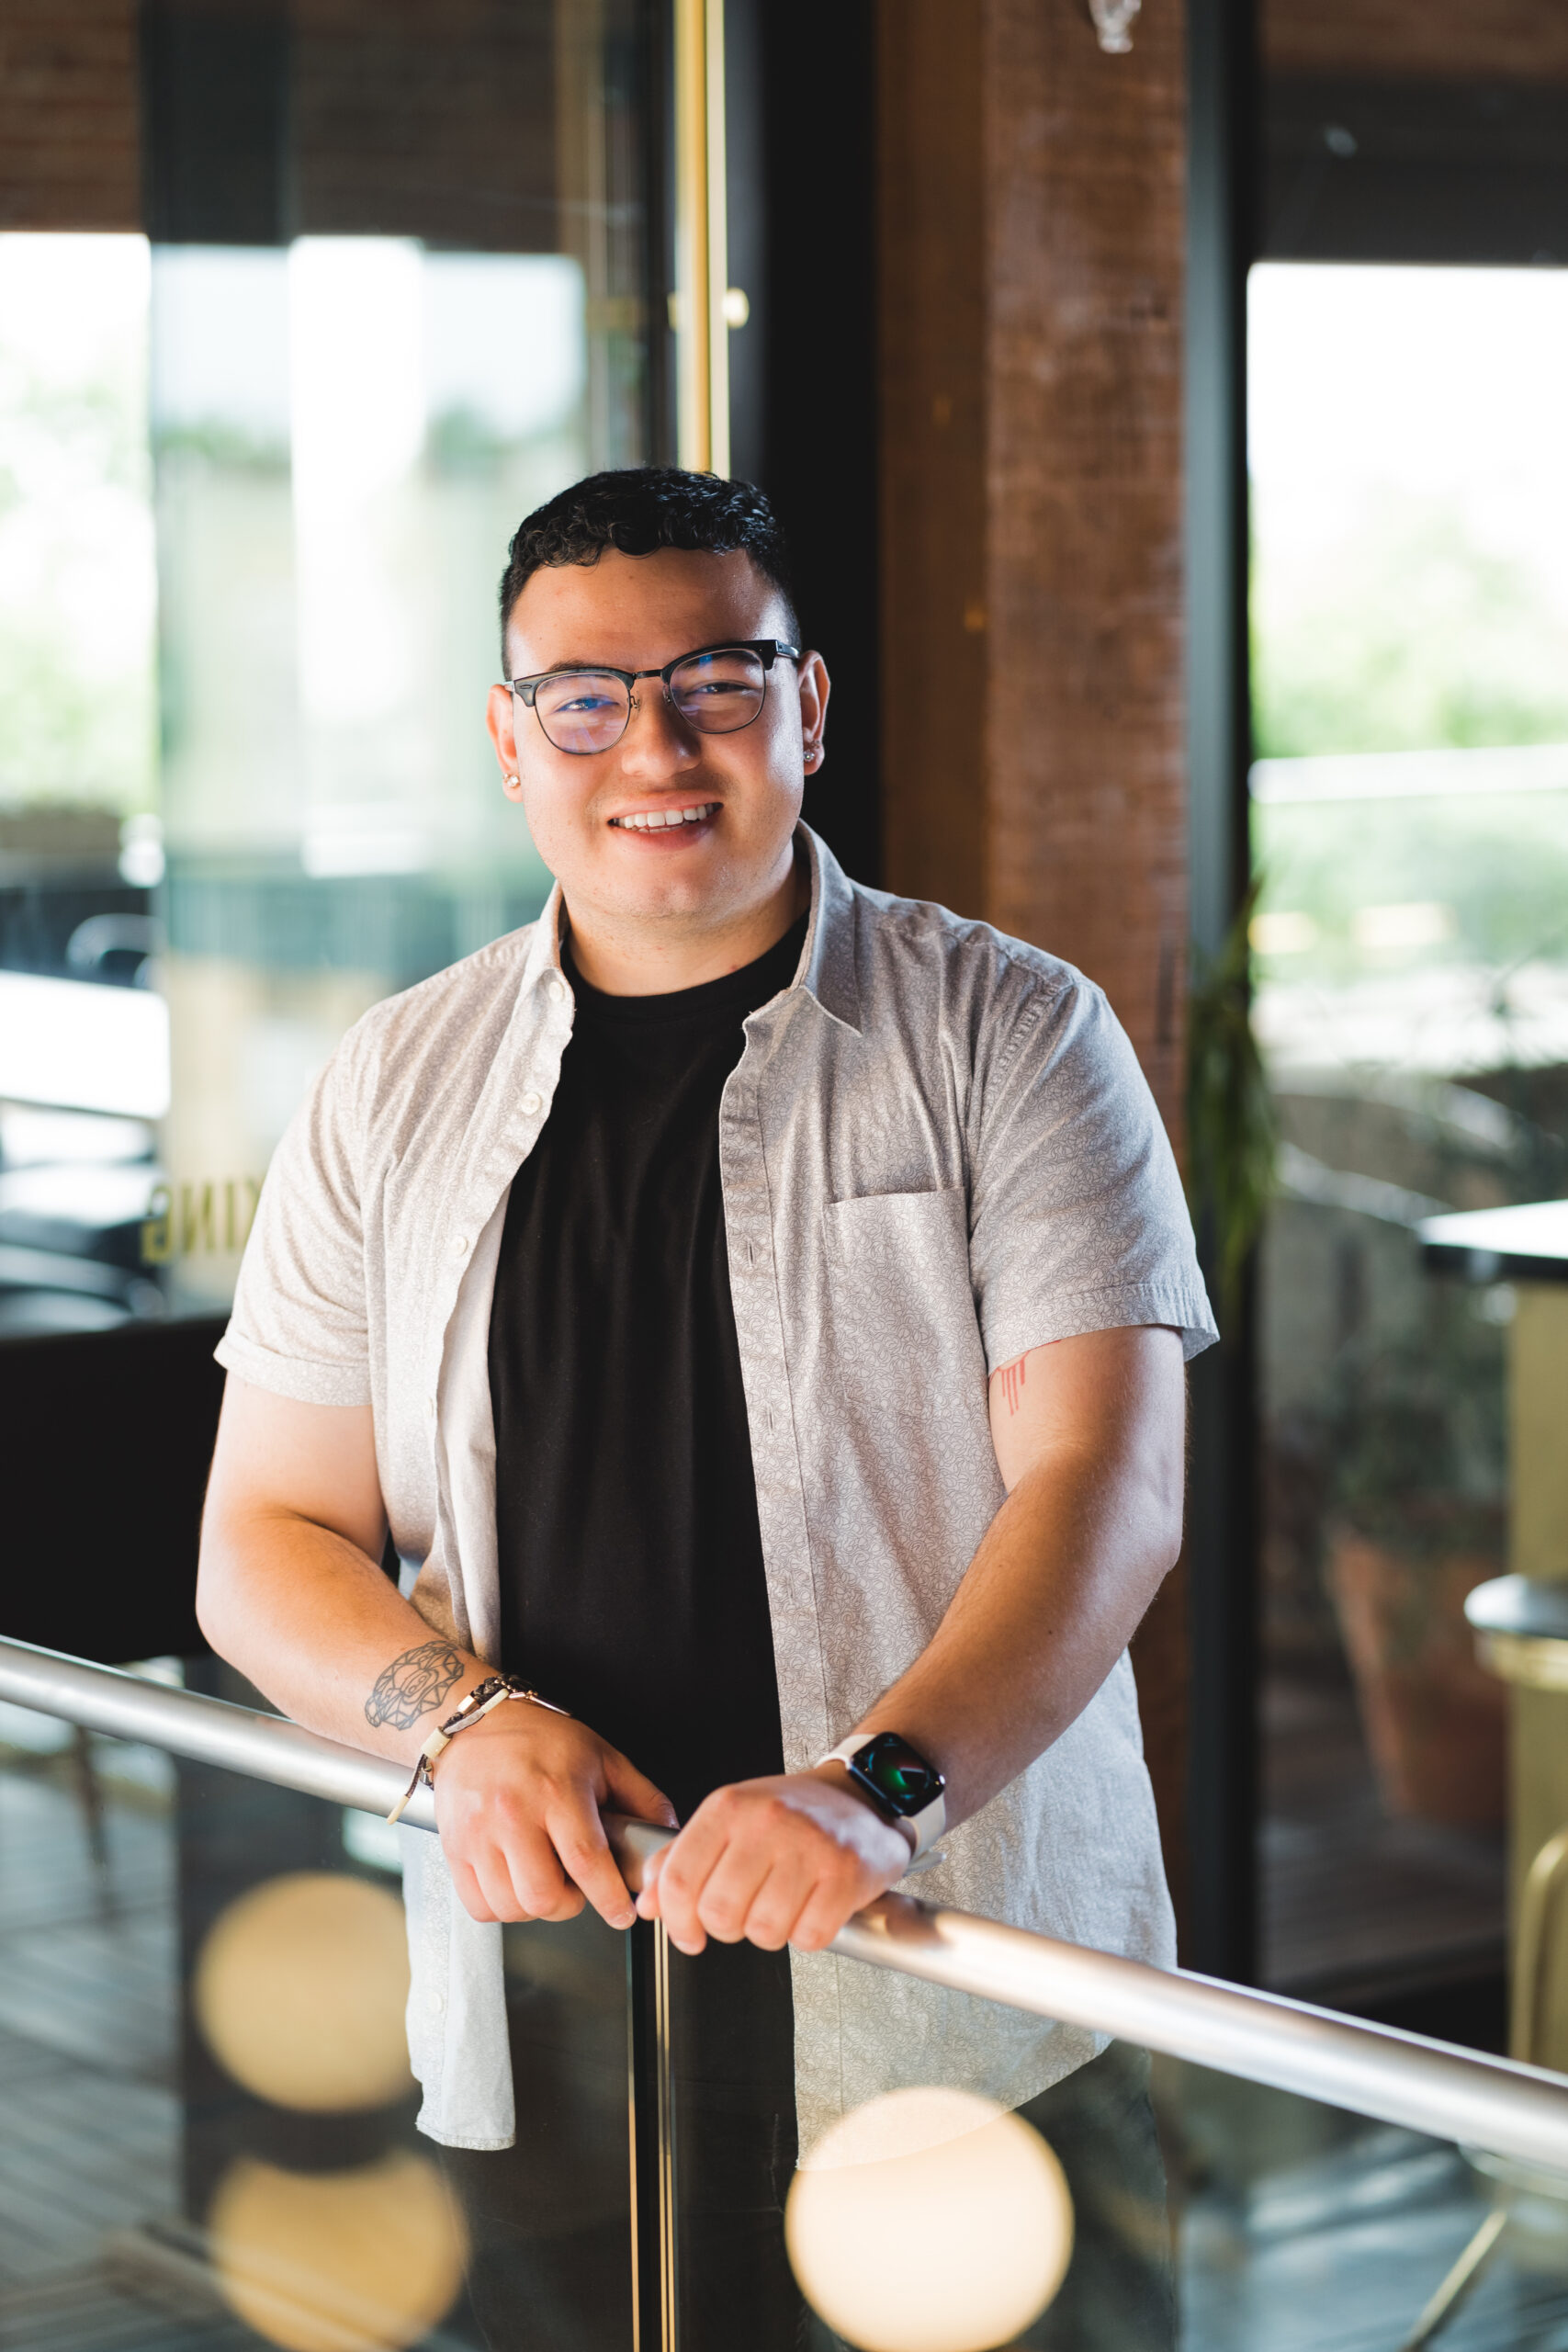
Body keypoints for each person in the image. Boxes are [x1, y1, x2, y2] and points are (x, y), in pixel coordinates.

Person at [197, 466, 1217, 2347]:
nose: (651, 743)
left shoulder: (1011, 1030)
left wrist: (874, 1789)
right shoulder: (388, 1082)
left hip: (946, 1970)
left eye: (714, 681)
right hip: (552, 1980)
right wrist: (464, 1720)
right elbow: (263, 1541)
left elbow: (1103, 1482)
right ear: (511, 743)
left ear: (805, 707)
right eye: (583, 696)